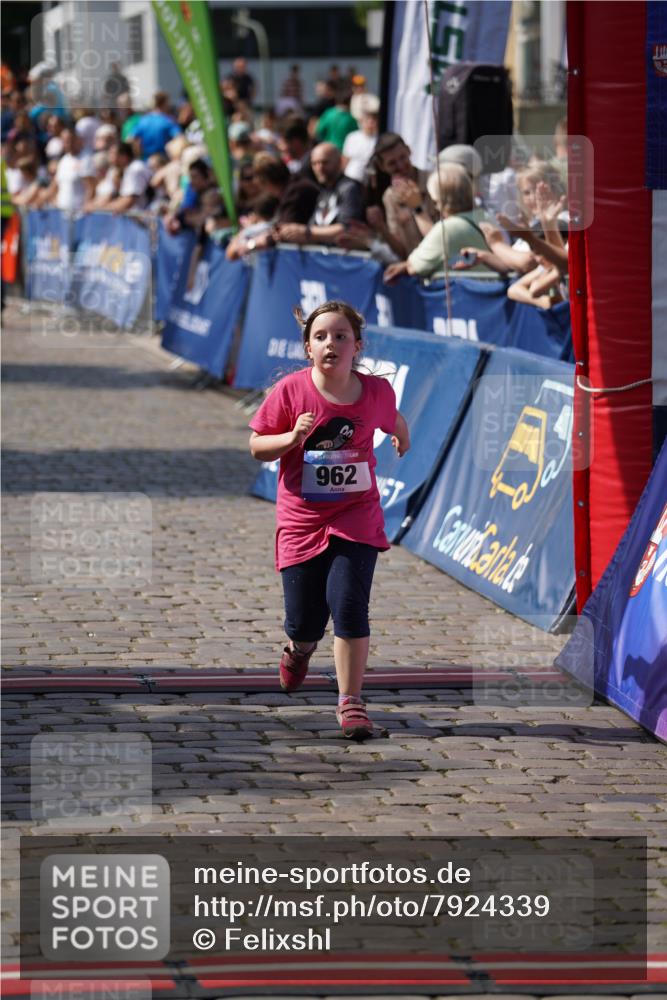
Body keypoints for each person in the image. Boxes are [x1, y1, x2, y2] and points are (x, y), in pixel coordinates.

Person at [248, 300, 410, 739]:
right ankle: (299, 648)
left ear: (357, 346)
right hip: (303, 521)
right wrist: (292, 437)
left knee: (350, 606)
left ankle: (350, 701)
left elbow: (392, 419)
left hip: (356, 515)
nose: (330, 343)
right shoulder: (291, 392)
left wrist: (403, 437)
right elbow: (257, 446)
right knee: (306, 621)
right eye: (320, 337)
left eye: (341, 336)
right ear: (308, 348)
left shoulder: (374, 392)